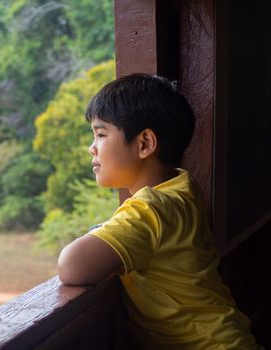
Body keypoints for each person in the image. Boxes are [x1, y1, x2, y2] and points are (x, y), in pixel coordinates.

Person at [57, 74, 260, 349]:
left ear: (145, 144)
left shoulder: (150, 209)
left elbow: (72, 266)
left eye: (101, 134)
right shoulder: (183, 188)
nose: (91, 148)